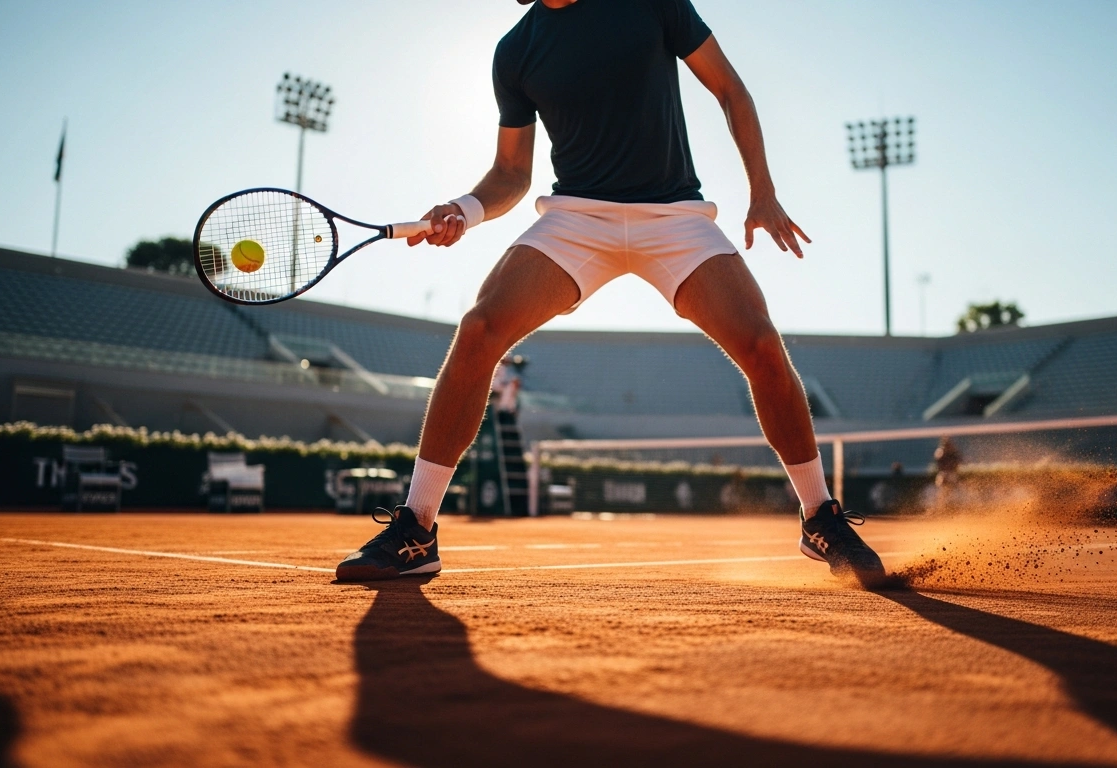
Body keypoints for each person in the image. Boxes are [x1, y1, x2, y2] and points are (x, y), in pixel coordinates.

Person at [335, 0, 885, 587]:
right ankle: (417, 528)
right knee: (478, 331)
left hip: (673, 215)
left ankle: (818, 516)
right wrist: (464, 211)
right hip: (577, 218)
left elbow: (729, 89)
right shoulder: (515, 51)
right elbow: (511, 173)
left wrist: (763, 193)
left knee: (761, 345)